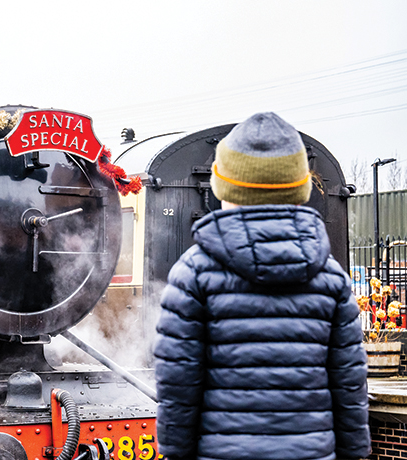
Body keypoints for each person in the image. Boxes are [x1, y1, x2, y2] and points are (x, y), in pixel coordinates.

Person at [154, 112, 370, 460]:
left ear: (225, 189)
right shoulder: (332, 278)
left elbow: (178, 387)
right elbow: (349, 385)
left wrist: (177, 453)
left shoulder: (192, 273)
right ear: (298, 192)